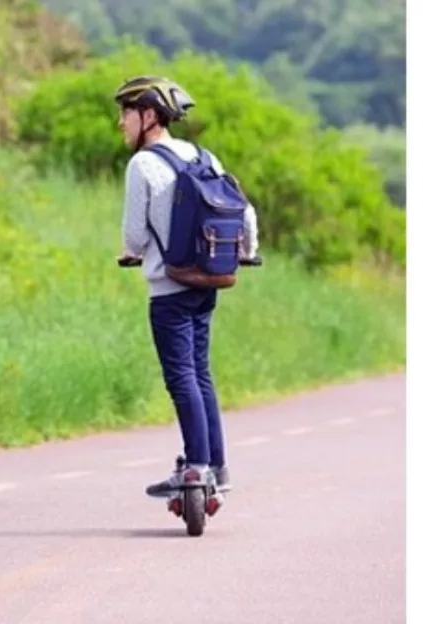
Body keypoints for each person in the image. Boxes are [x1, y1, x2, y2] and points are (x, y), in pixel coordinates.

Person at [114, 76, 259, 500]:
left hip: (170, 288)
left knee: (181, 377)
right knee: (201, 373)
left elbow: (136, 236)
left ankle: (195, 467)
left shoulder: (142, 164)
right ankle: (217, 465)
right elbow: (242, 211)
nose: (121, 123)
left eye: (125, 113)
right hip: (207, 279)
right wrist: (246, 252)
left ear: (149, 115)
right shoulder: (202, 155)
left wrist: (133, 252)